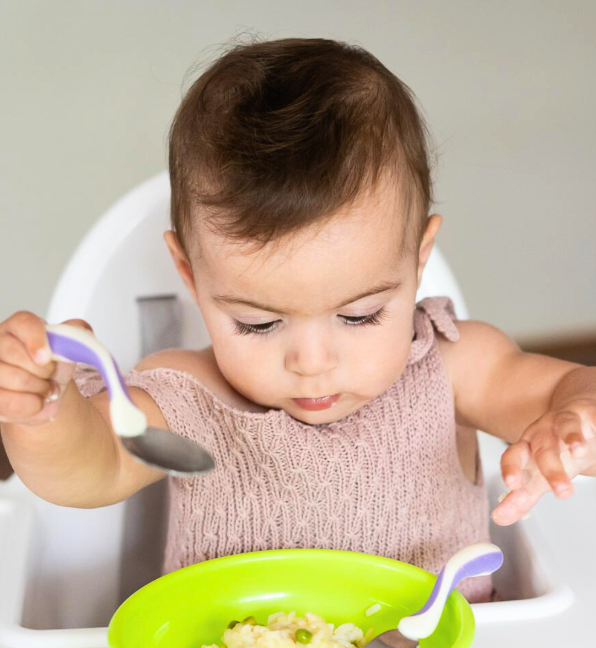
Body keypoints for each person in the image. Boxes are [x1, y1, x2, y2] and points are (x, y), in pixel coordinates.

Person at [1, 38, 595, 603]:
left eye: (360, 315)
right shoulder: (186, 401)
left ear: (418, 258)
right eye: (258, 324)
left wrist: (574, 427)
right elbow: (89, 469)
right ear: (189, 273)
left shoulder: (458, 367)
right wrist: (43, 409)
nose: (312, 363)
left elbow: (565, 392)